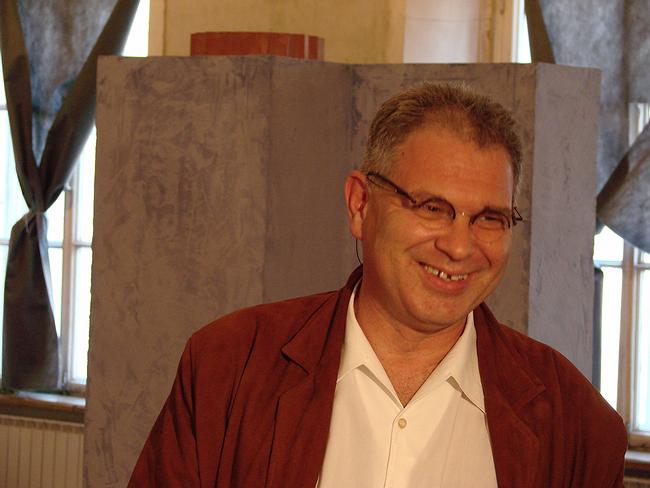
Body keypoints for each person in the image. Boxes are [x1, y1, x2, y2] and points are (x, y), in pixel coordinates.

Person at [129, 83, 627, 487]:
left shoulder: (577, 422)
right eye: (432, 208)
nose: (460, 247)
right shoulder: (227, 368)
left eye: (489, 218)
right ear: (360, 205)